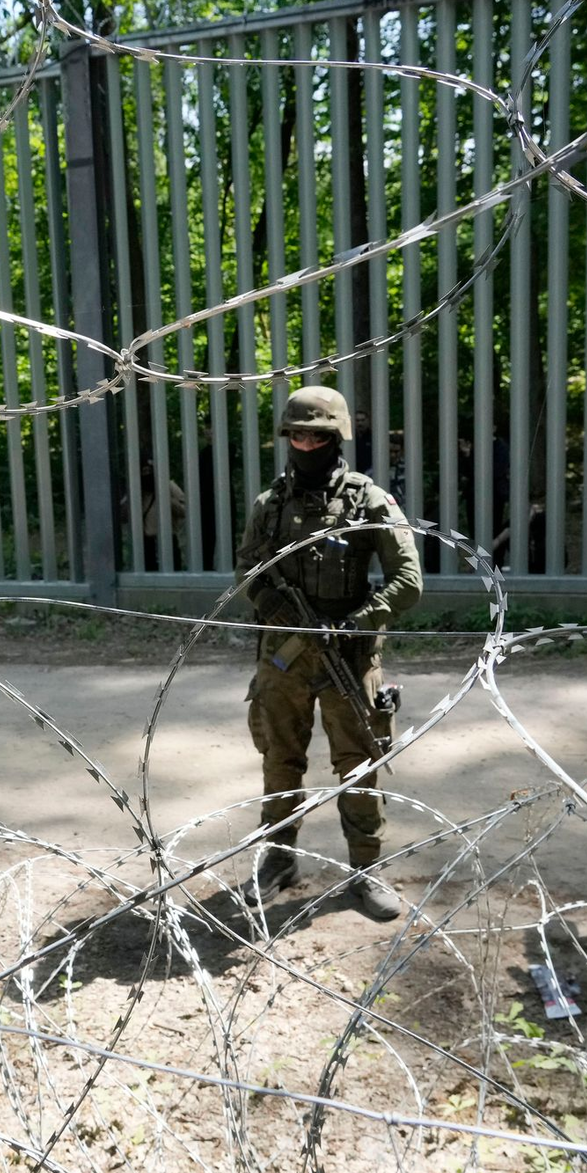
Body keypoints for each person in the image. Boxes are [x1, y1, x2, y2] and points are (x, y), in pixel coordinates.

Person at [235, 386, 423, 920]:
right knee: (279, 759)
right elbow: (247, 569)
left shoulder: (369, 501)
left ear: (335, 436)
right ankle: (277, 858)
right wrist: (280, 606)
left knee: (359, 766)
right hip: (284, 654)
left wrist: (354, 624)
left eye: (316, 435)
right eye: (296, 434)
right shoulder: (270, 505)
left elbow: (408, 582)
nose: (305, 443)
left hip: (349, 655)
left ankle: (366, 871)